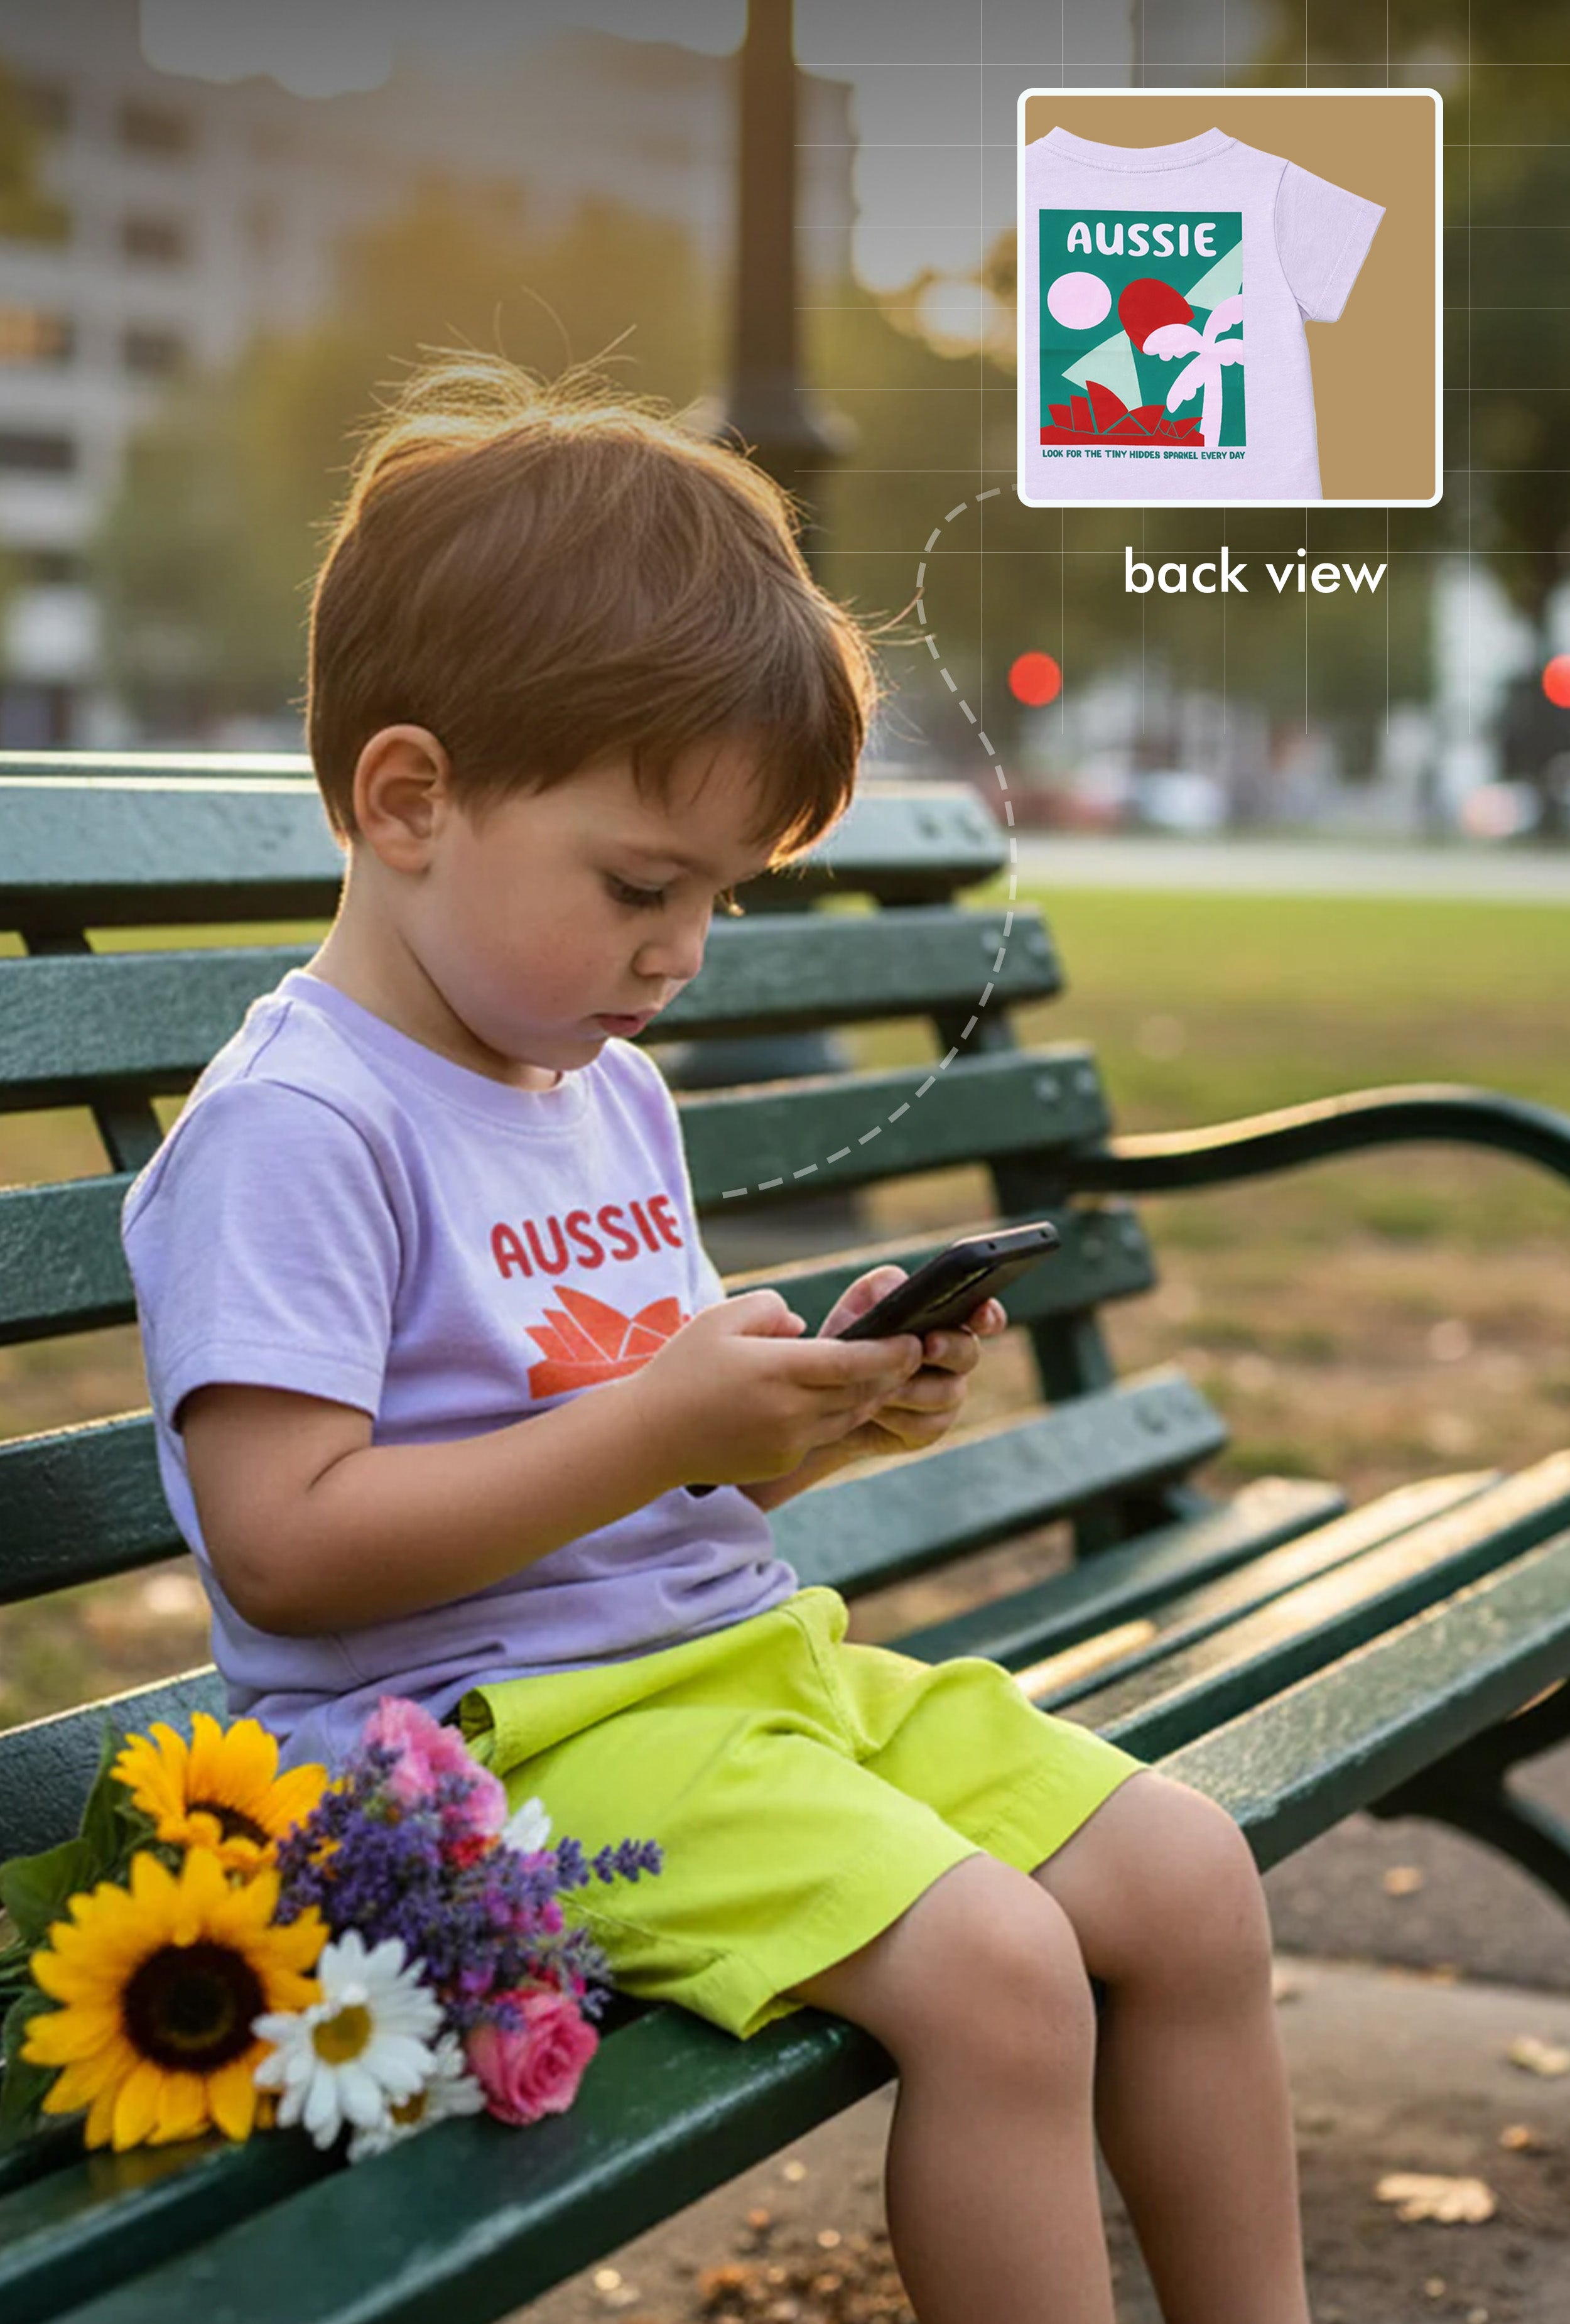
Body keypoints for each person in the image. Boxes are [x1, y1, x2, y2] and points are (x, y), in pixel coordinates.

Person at [120, 352, 1313, 2324]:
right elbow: (285, 1548)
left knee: (1184, 1878)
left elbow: (649, 1452)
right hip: (480, 1758)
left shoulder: (597, 1081)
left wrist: (822, 1409)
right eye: (639, 886)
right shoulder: (297, 1127)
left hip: (737, 1674)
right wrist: (665, 1421)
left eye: (722, 897)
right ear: (407, 797)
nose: (684, 955)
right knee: (999, 1971)